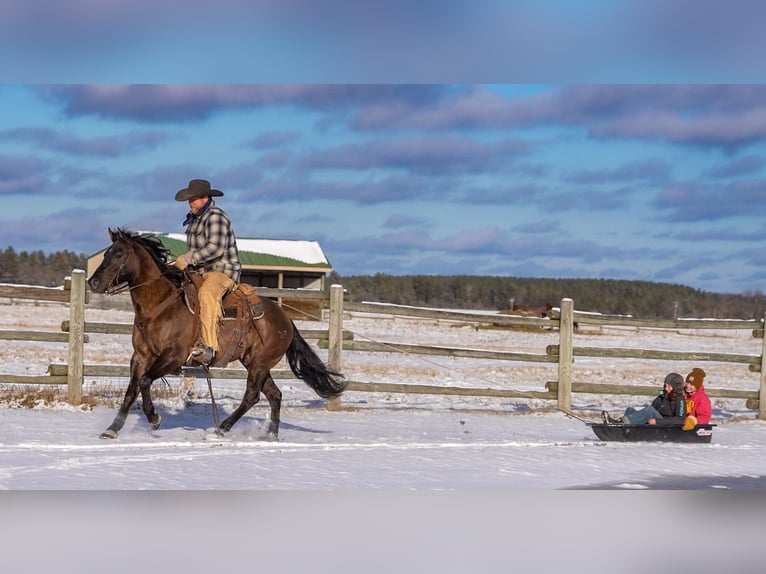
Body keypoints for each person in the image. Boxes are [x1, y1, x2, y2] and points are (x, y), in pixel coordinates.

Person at [174, 179, 241, 365]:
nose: (189, 202)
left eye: (192, 199)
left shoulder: (215, 217)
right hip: (201, 270)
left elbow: (215, 249)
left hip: (222, 270)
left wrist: (188, 258)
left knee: (206, 294)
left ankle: (209, 348)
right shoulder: (196, 218)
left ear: (204, 198)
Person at [601, 372, 686, 425]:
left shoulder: (680, 400)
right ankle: (623, 428)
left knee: (649, 411)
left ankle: (620, 423)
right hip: (657, 420)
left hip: (666, 425)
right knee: (630, 410)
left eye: (669, 386)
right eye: (665, 385)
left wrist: (657, 422)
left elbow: (680, 420)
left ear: (676, 387)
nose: (666, 388)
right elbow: (653, 407)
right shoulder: (663, 396)